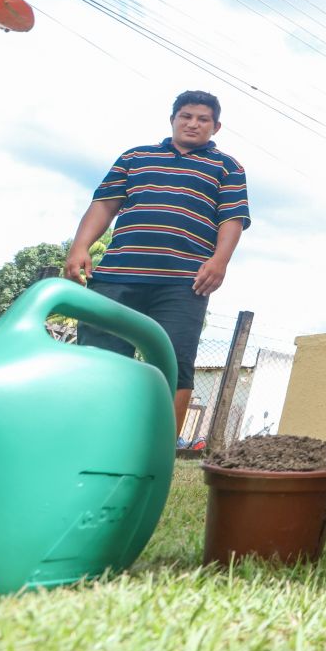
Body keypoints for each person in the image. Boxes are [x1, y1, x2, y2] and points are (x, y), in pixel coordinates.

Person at [64, 90, 249, 434]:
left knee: (174, 364)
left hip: (184, 282)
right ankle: (89, 436)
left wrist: (220, 261)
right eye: (186, 116)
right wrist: (80, 247)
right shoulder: (135, 157)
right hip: (117, 274)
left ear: (216, 126)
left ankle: (158, 451)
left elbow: (232, 219)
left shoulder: (228, 167)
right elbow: (104, 204)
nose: (193, 124)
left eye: (202, 119)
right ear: (173, 119)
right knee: (99, 357)